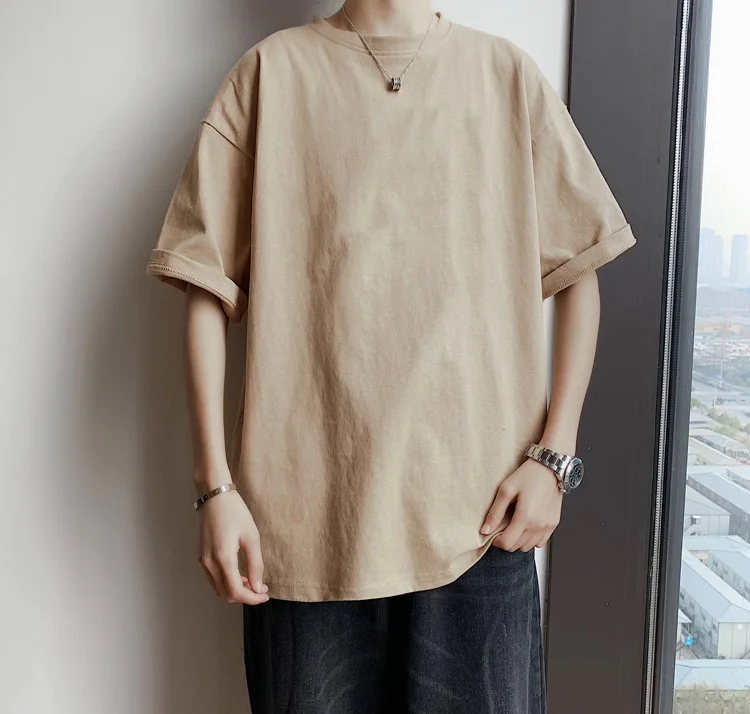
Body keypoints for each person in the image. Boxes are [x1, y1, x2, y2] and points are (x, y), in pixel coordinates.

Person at [145, 2, 637, 712]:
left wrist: (554, 460)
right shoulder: (270, 75)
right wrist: (215, 489)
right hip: (306, 533)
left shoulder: (504, 76)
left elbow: (579, 272)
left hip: (481, 526)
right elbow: (203, 287)